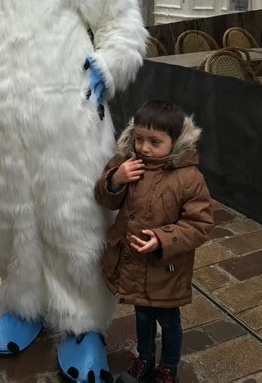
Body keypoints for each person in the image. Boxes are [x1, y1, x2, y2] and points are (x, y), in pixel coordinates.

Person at [94, 100, 213, 383]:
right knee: (142, 316)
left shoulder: (188, 177)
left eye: (154, 142)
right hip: (134, 262)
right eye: (139, 139)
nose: (144, 148)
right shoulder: (127, 163)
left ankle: (167, 367)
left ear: (174, 142)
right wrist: (115, 179)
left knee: (169, 322)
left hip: (166, 268)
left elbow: (200, 223)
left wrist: (162, 239)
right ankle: (145, 358)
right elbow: (104, 198)